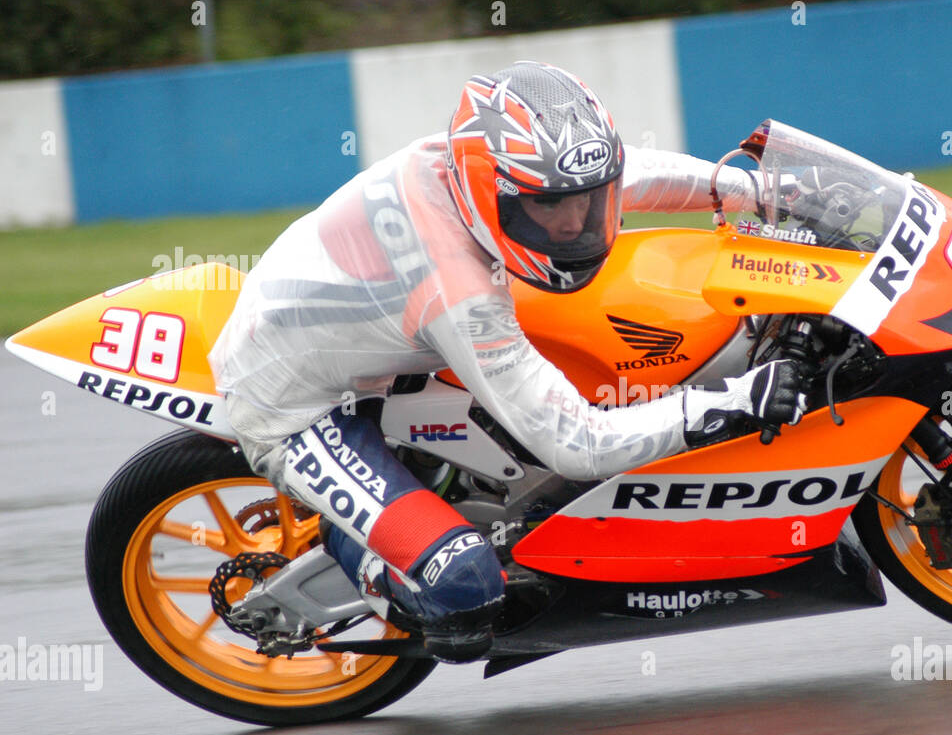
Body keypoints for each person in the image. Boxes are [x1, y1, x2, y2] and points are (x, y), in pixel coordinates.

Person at [209, 61, 805, 662]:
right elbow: (578, 445)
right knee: (464, 590)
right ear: (494, 196)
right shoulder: (459, 291)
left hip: (367, 338)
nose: (576, 223)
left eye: (588, 201)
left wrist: (760, 190)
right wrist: (725, 405)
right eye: (550, 210)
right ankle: (353, 545)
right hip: (295, 406)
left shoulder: (475, 168)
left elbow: (636, 177)